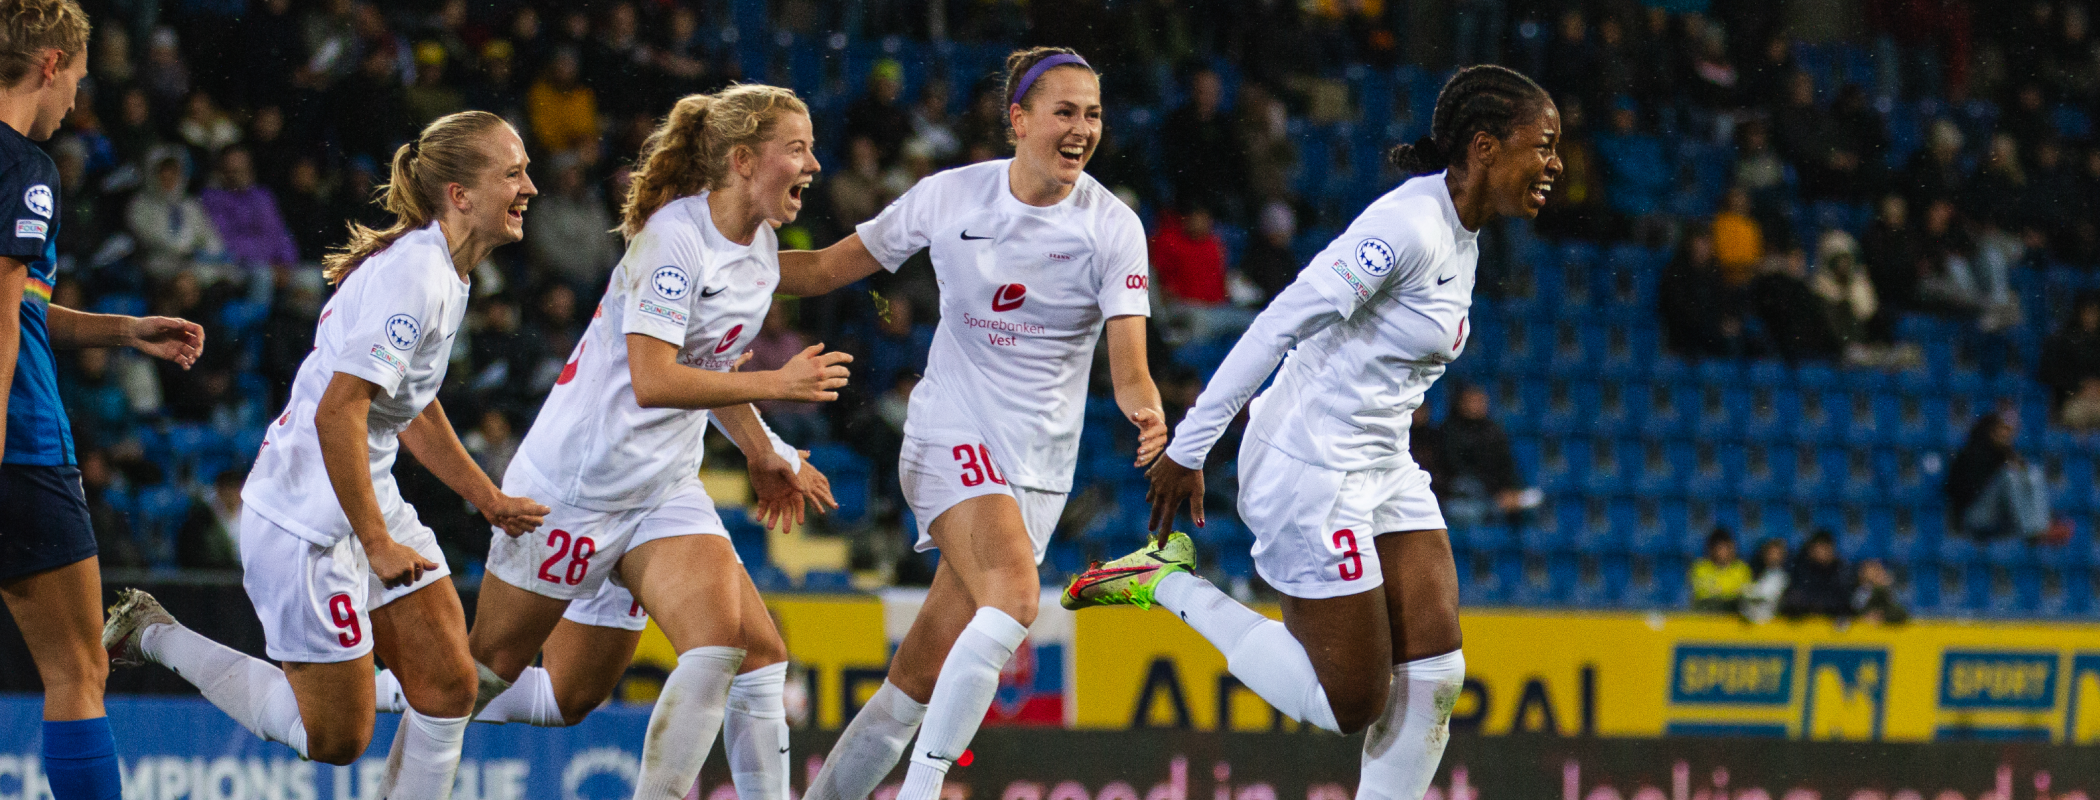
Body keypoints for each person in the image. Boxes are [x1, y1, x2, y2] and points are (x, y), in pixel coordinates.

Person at [1070, 65, 1562, 800]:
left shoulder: (1465, 232)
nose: (1555, 163)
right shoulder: (1408, 228)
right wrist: (1191, 444)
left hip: (1379, 460)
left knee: (1437, 674)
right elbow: (1279, 325)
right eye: (1543, 145)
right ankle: (1166, 582)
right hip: (1310, 465)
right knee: (1350, 704)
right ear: (1486, 147)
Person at [390, 85, 846, 800]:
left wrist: (764, 451)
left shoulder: (755, 245)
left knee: (741, 650)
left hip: (660, 489)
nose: (814, 164)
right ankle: (365, 696)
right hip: (573, 489)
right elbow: (655, 378)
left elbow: (714, 360)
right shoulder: (673, 240)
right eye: (798, 149)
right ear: (744, 159)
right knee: (481, 680)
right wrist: (778, 386)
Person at [103, 112, 549, 799]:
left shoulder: (446, 271)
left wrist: (485, 499)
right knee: (337, 739)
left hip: (362, 494)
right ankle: (152, 632)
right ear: (459, 194)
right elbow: (337, 411)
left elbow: (412, 405)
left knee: (449, 684)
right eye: (513, 172)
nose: (531, 187)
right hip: (304, 520)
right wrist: (374, 541)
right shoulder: (417, 275)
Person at [777, 48, 1163, 800]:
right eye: (1065, 111)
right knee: (1017, 599)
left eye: (1093, 114)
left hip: (1038, 470)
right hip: (949, 434)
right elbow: (824, 270)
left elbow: (1130, 371)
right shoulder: (949, 197)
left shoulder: (1113, 229)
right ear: (1018, 120)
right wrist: (712, 256)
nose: (1082, 128)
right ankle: (923, 792)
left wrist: (1149, 417)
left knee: (915, 681)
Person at [0, 3, 205, 796]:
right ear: (50, 65)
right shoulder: (24, 169)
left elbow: (19, 304)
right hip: (20, 450)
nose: (74, 103)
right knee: (78, 668)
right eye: (76, 82)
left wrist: (123, 331)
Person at [1945, 411, 2062, 541]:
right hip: (1975, 516)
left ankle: (2041, 526)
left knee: (2032, 471)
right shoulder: (1971, 454)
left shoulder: (2005, 453)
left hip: (2001, 516)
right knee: (2009, 475)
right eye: (2002, 429)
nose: (2007, 434)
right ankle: (2032, 531)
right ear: (1991, 431)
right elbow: (1955, 491)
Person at [1436, 384, 1539, 528]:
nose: (1477, 405)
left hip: (1494, 493)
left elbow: (1506, 466)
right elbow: (1456, 469)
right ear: (1461, 403)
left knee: (1532, 503)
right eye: (1472, 401)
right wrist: (1495, 494)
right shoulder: (1448, 431)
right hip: (1463, 494)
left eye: (1480, 401)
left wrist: (1511, 491)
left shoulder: (1494, 431)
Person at [2038, 292, 2100, 428]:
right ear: (2078, 313)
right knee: (2077, 415)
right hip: (2073, 399)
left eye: (2095, 312)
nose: (2091, 317)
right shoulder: (2063, 340)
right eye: (2087, 312)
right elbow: (2049, 374)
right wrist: (2079, 386)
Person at [1780, 529, 1852, 618]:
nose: (1822, 552)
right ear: (1811, 549)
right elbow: (1794, 597)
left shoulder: (1841, 569)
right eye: (1819, 548)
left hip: (1830, 620)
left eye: (1826, 548)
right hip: (1802, 622)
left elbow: (1844, 599)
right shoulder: (1799, 568)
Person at [1689, 527, 1751, 613]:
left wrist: (1721, 591)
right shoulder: (1700, 568)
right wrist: (1731, 592)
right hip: (1709, 613)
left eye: (1726, 547)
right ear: (1711, 549)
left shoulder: (1741, 568)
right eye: (1720, 548)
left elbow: (1745, 592)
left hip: (1734, 612)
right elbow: (1703, 593)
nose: (1723, 552)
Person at [1740, 538, 1789, 622]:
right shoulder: (1754, 572)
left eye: (1777, 553)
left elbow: (1769, 596)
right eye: (1771, 553)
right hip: (1751, 622)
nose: (1773, 556)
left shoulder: (1786, 577)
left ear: (1783, 556)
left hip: (1776, 623)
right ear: (1764, 554)